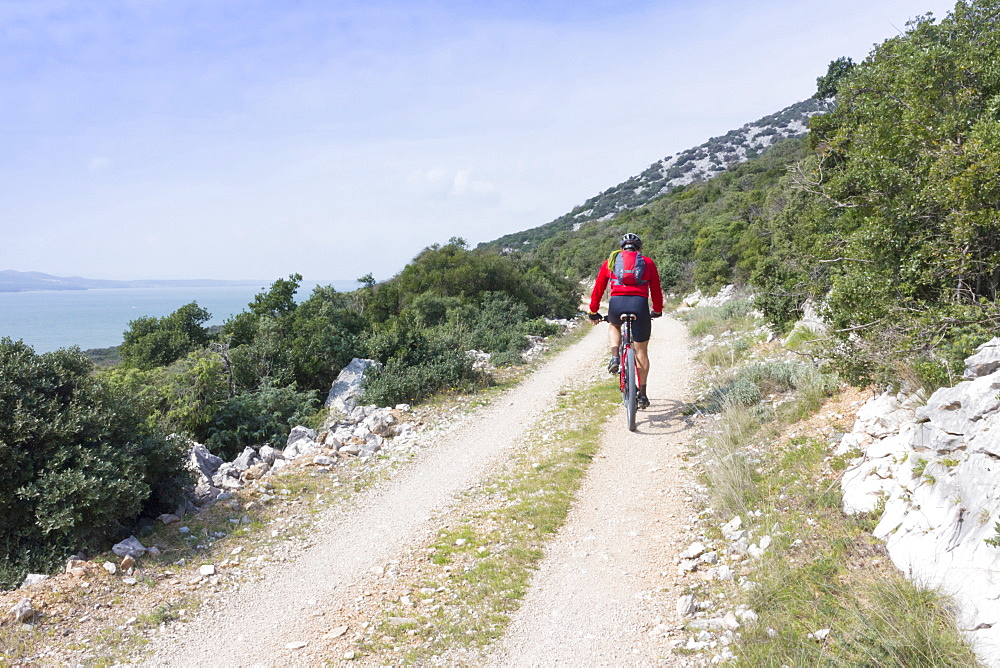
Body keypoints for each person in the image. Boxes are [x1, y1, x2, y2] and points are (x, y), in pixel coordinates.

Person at [588, 233, 663, 409]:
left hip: (617, 304)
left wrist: (593, 311)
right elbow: (656, 289)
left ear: (622, 248)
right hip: (640, 305)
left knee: (614, 324)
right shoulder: (648, 262)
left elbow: (599, 287)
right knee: (641, 351)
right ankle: (643, 394)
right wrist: (657, 310)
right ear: (639, 249)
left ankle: (615, 357)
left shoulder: (611, 261)